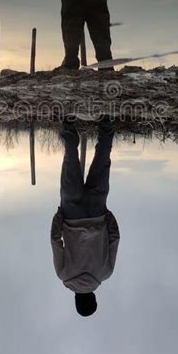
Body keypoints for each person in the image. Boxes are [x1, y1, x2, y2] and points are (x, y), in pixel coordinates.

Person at [50, 118, 120, 316]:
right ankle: (69, 120)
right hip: (71, 214)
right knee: (71, 160)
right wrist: (59, 216)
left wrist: (107, 216)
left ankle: (107, 117)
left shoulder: (106, 273)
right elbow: (56, 241)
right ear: (76, 299)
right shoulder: (63, 274)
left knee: (103, 159)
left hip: (97, 212)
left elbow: (115, 240)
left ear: (94, 298)